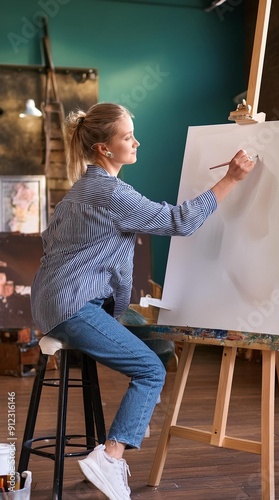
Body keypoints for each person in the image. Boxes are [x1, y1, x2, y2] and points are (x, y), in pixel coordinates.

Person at [30, 102, 256, 500]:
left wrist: (113, 311)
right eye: (127, 136)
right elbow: (179, 221)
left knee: (159, 342)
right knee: (151, 371)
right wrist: (232, 179)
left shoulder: (82, 189)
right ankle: (111, 456)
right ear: (104, 148)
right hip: (73, 308)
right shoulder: (110, 192)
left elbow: (58, 249)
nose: (136, 141)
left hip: (64, 300)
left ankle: (133, 422)